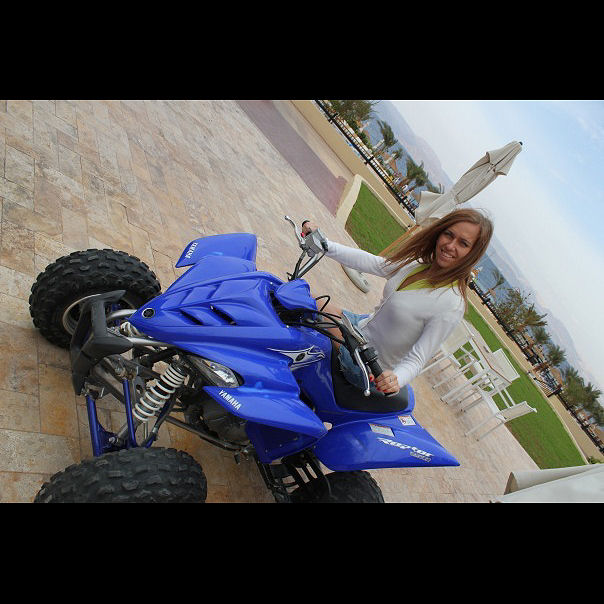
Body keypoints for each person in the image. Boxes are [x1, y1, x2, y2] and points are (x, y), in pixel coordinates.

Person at [301, 208, 494, 396]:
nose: (450, 245)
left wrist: (396, 379)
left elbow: (418, 358)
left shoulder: (451, 304)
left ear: (472, 253)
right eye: (449, 234)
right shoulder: (420, 265)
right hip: (360, 328)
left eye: (463, 243)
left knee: (310, 307)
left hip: (366, 365)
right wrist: (324, 244)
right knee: (304, 298)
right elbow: (376, 264)